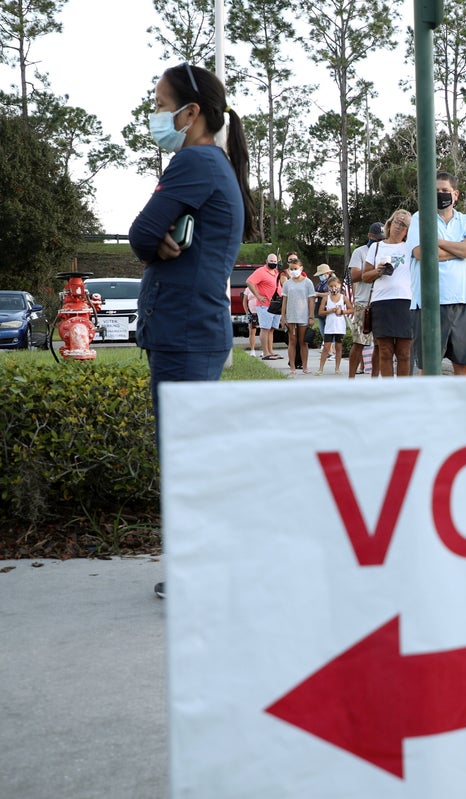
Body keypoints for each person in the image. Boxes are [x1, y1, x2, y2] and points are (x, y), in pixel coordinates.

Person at [127, 61, 258, 600]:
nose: (155, 114)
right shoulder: (211, 164)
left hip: (185, 330)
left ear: (192, 112)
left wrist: (152, 240)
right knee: (191, 452)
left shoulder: (195, 163)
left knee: (185, 457)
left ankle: (203, 573)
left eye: (161, 105)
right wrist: (156, 239)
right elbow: (151, 236)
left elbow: (140, 234)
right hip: (190, 328)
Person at [407, 173, 466, 375]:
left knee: (463, 365)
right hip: (428, 304)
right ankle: (430, 406)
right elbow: (421, 252)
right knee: (429, 367)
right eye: (436, 191)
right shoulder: (419, 218)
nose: (440, 195)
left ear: (455, 194)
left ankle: (462, 407)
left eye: (445, 191)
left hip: (461, 302)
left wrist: (436, 242)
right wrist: (460, 250)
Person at [363, 209, 415, 376]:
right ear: (389, 224)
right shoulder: (377, 247)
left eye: (405, 225)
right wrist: (378, 271)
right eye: (397, 222)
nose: (399, 227)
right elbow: (365, 276)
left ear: (409, 230)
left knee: (404, 353)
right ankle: (388, 393)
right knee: (384, 352)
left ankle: (402, 393)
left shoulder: (412, 248)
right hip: (382, 303)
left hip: (406, 302)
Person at [346, 223, 383, 378]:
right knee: (359, 342)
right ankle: (351, 378)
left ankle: (374, 378)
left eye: (381, 238)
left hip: (380, 301)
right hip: (363, 303)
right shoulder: (360, 252)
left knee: (380, 345)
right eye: (376, 238)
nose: (378, 241)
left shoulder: (385, 251)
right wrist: (374, 271)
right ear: (369, 236)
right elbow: (353, 276)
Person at [280, 253, 315, 375]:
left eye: (296, 269)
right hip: (291, 316)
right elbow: (284, 300)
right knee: (292, 341)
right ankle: (292, 367)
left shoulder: (308, 282)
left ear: (301, 268)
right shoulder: (287, 284)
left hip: (304, 316)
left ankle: (305, 366)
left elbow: (311, 300)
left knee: (303, 342)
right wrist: (283, 316)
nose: (294, 271)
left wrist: (311, 316)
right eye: (291, 269)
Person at [247, 254, 283, 359]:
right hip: (264, 305)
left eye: (275, 261)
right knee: (265, 328)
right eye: (271, 260)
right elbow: (249, 282)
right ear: (266, 261)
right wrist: (257, 296)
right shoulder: (260, 271)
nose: (273, 262)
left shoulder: (276, 272)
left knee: (272, 329)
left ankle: (271, 351)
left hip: (275, 305)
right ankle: (265, 352)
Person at [317, 275, 349, 375]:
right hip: (329, 327)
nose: (333, 288)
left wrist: (342, 311)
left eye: (335, 286)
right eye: (331, 286)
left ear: (339, 285)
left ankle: (337, 368)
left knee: (339, 347)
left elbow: (351, 309)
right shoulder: (326, 298)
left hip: (340, 327)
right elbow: (320, 312)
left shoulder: (343, 298)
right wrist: (330, 311)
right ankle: (320, 368)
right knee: (326, 347)